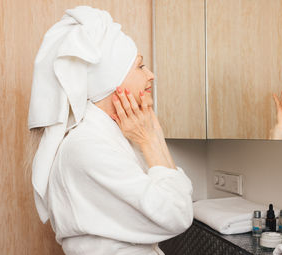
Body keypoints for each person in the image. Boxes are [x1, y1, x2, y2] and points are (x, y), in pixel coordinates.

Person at [27, 6, 193, 255]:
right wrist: (150, 141)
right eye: (140, 66)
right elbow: (177, 215)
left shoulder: (113, 137)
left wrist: (153, 136)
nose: (151, 75)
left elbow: (177, 201)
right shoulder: (87, 146)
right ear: (111, 80)